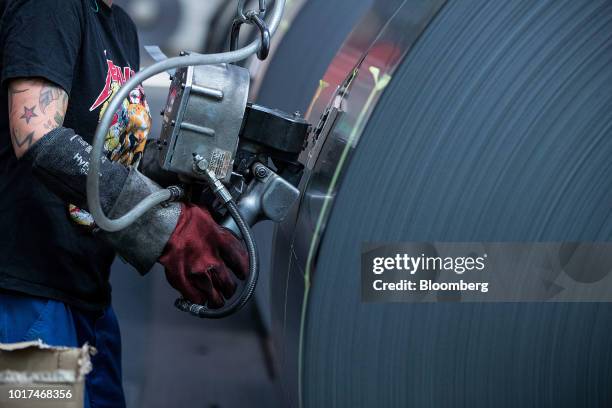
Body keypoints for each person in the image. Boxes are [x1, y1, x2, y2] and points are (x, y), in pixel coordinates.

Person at [0, 0, 248, 406]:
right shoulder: (50, 8)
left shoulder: (119, 27)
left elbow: (112, 150)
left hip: (88, 293)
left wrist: (186, 177)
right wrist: (168, 227)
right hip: (30, 296)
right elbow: (37, 137)